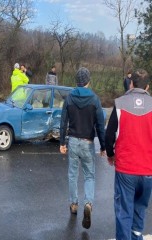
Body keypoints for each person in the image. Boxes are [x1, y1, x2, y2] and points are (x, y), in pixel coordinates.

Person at [105, 69, 152, 240]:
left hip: (126, 169)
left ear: (131, 84)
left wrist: (110, 154)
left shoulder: (120, 103)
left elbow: (109, 135)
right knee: (139, 210)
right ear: (147, 86)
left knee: (124, 212)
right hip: (148, 171)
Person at [59, 67, 106, 229]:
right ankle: (88, 203)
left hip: (72, 141)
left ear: (76, 81)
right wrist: (104, 146)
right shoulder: (94, 99)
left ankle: (73, 204)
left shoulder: (70, 98)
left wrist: (62, 143)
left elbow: (63, 120)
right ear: (88, 81)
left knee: (72, 175)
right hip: (87, 142)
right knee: (89, 176)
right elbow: (100, 124)